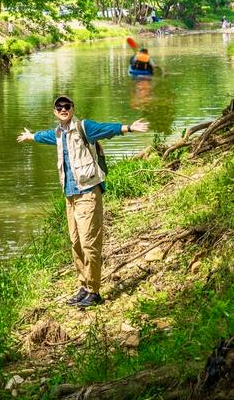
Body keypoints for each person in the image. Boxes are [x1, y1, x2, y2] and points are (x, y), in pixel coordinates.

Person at [17, 95, 149, 309]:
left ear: (72, 108)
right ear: (54, 111)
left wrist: (129, 127)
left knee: (89, 243)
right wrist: (31, 136)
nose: (63, 109)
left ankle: (94, 291)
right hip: (70, 196)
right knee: (76, 243)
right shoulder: (59, 133)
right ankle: (83, 285)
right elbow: (45, 136)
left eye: (66, 106)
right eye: (59, 107)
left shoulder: (83, 127)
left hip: (88, 193)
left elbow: (106, 129)